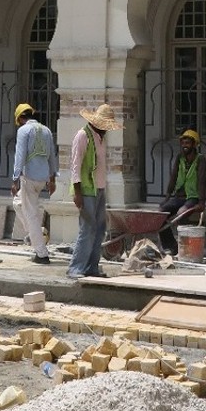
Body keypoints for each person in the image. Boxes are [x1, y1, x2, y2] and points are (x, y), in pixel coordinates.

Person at [67, 102, 121, 280]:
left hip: (99, 189)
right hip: (86, 190)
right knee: (87, 229)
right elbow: (75, 166)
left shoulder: (100, 138)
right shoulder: (82, 136)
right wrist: (78, 193)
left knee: (100, 228)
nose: (107, 129)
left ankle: (92, 267)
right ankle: (76, 268)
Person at [10, 102, 59, 263]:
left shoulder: (23, 130)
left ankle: (41, 253)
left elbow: (20, 155)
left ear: (21, 118)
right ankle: (36, 231)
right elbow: (52, 156)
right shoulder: (46, 130)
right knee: (19, 204)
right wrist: (52, 179)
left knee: (30, 214)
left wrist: (15, 178)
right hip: (43, 177)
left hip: (29, 177)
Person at [158, 129, 206, 254]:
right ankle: (171, 246)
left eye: (188, 143)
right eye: (183, 143)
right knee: (159, 214)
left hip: (192, 197)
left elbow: (202, 180)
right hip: (178, 196)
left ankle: (186, 247)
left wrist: (201, 202)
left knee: (181, 213)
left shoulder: (200, 159)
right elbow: (173, 177)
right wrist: (168, 196)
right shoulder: (179, 158)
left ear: (194, 144)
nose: (185, 146)